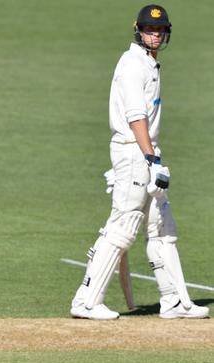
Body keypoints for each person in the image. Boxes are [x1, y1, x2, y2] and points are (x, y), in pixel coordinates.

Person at [70, 5, 209, 320]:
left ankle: (172, 300)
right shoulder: (133, 65)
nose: (155, 35)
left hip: (144, 151)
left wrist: (152, 156)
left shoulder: (149, 63)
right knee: (124, 225)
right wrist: (149, 159)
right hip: (135, 150)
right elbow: (136, 117)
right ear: (138, 30)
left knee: (161, 228)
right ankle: (87, 300)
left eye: (159, 30)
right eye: (149, 29)